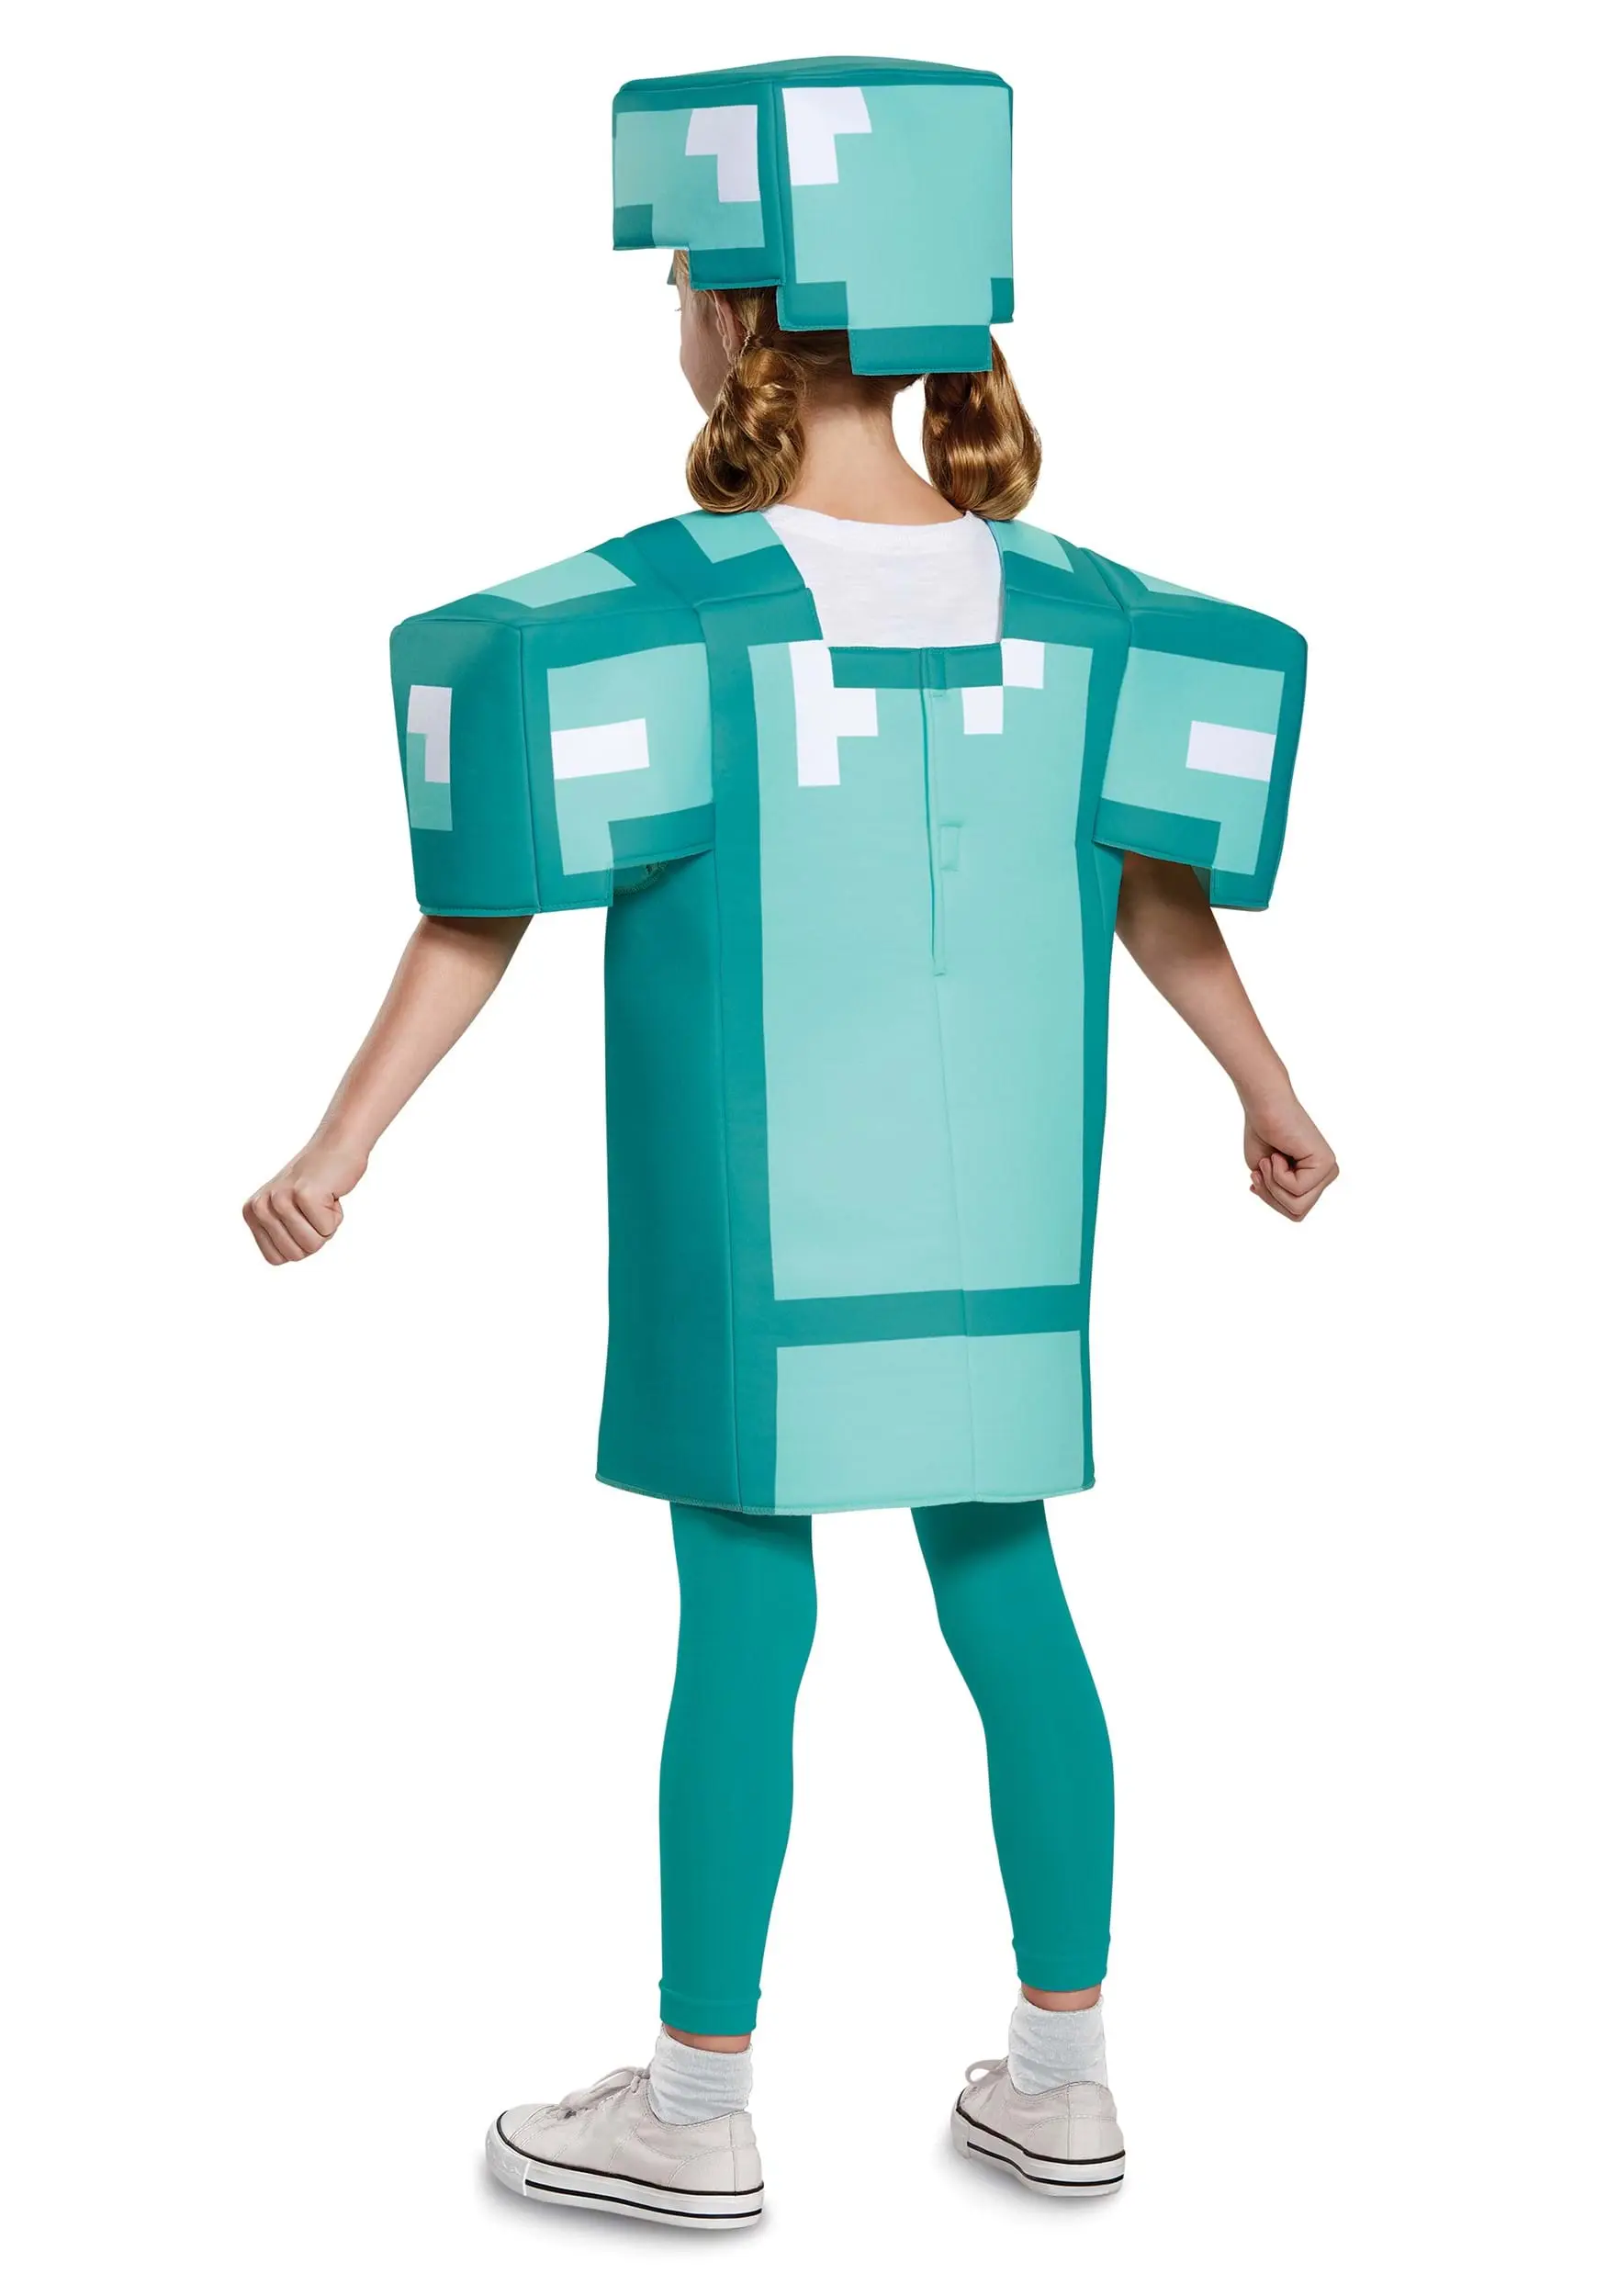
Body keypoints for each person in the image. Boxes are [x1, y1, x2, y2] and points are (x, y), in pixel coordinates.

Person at [244, 57, 1338, 2229]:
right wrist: (1266, 1085)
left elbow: (479, 906)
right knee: (1009, 1597)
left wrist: (338, 1144)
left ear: (733, 315)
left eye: (674, 277)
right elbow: (1154, 886)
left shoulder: (653, 618)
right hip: (999, 1223)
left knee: (742, 1625)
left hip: (753, 1237)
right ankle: (1063, 2077)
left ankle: (695, 2101)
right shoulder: (1082, 614)